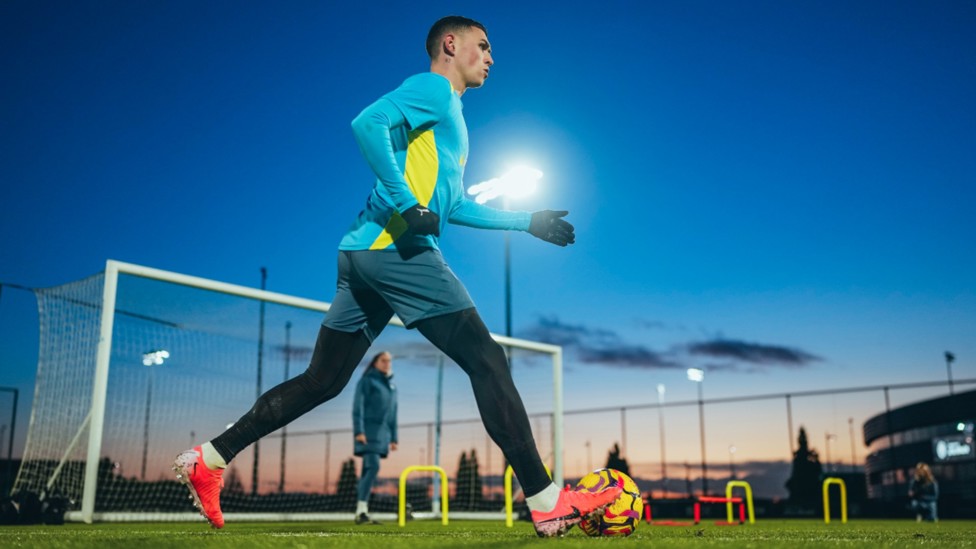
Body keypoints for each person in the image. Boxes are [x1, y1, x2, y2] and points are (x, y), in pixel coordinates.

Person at [173, 15, 621, 537]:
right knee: (487, 359)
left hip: (363, 252)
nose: (491, 57)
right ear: (450, 45)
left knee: (323, 382)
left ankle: (209, 457)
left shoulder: (450, 114)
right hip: (397, 251)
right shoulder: (433, 87)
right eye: (483, 46)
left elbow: (451, 207)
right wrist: (406, 204)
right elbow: (366, 124)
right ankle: (546, 500)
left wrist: (526, 220)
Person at [352, 351, 397, 524]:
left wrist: (394, 437)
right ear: (375, 363)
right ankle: (362, 511)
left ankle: (361, 511)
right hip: (368, 432)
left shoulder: (392, 387)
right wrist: (359, 431)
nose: (387, 363)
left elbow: (393, 414)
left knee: (367, 470)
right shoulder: (367, 381)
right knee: (373, 467)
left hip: (383, 435)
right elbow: (358, 407)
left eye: (389, 361)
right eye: (384, 360)